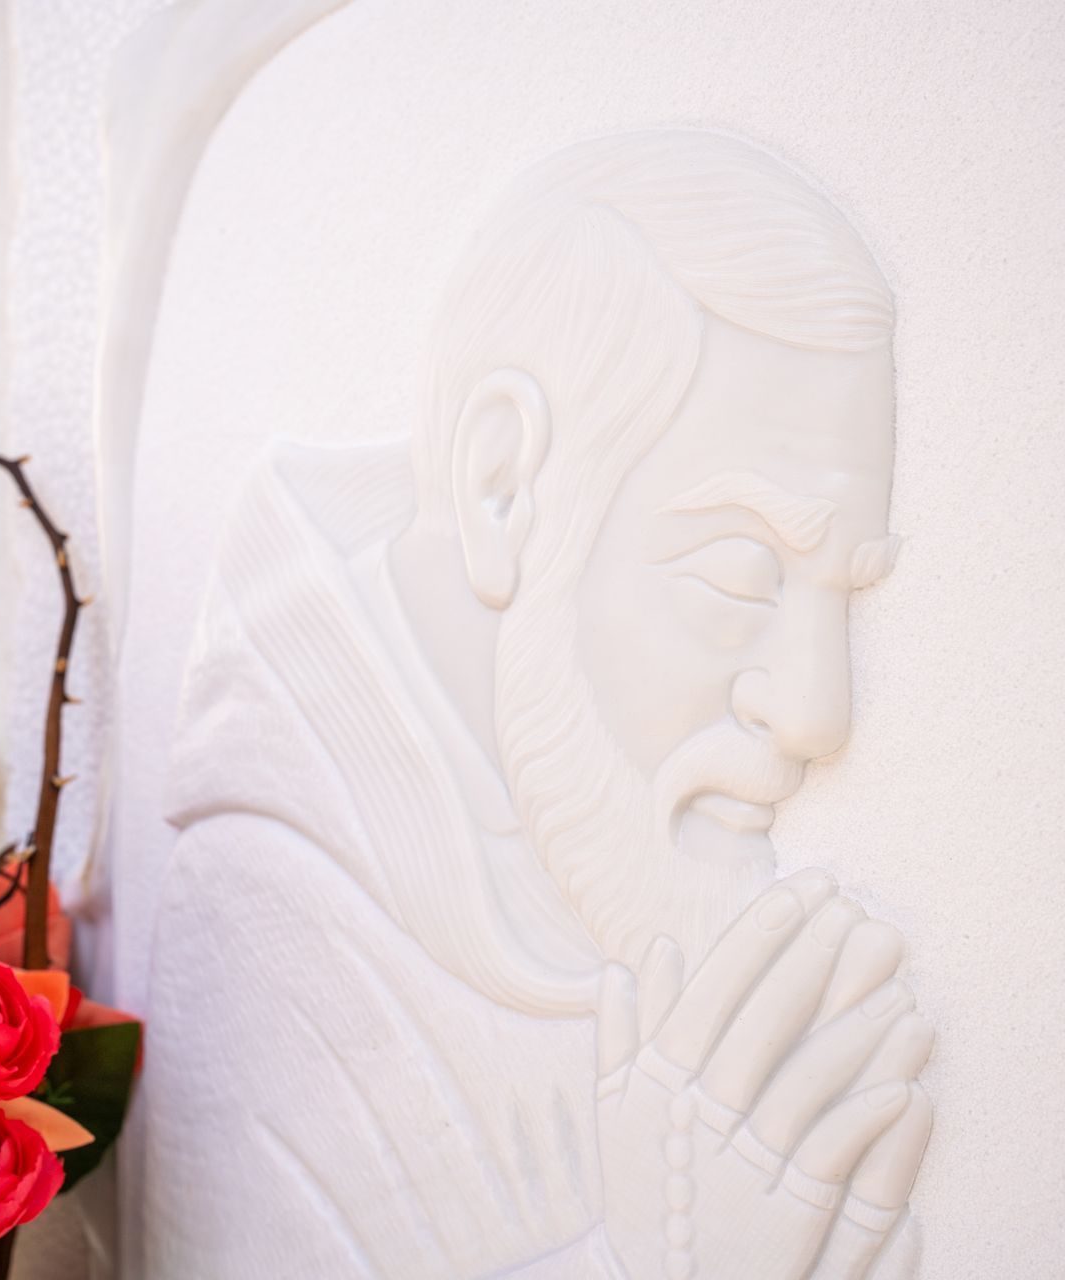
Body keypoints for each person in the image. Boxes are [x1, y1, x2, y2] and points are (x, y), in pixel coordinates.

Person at [146, 128, 932, 1279]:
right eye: (738, 574)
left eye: (842, 591)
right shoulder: (274, 932)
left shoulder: (600, 875)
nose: (820, 713)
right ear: (503, 486)